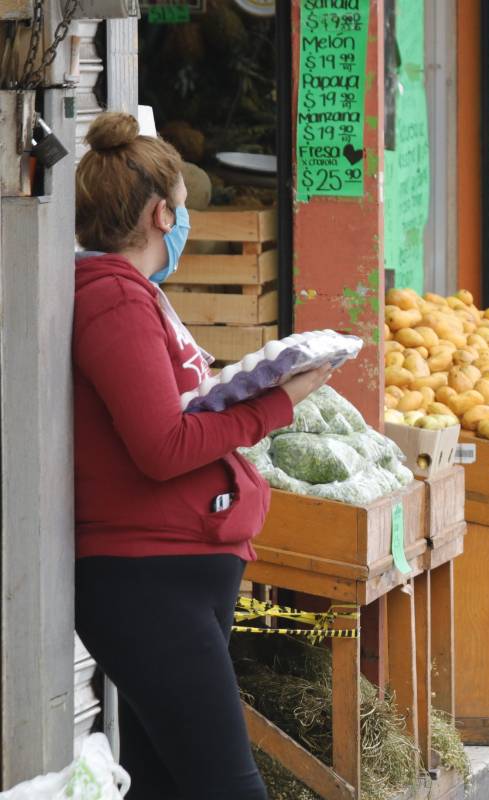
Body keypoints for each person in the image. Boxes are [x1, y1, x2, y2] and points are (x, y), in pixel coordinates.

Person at [72, 112, 334, 799]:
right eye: (183, 208)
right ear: (162, 213)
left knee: (166, 782)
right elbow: (162, 447)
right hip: (147, 578)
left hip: (172, 572)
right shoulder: (114, 302)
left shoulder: (133, 298)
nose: (184, 221)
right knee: (227, 786)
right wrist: (280, 402)